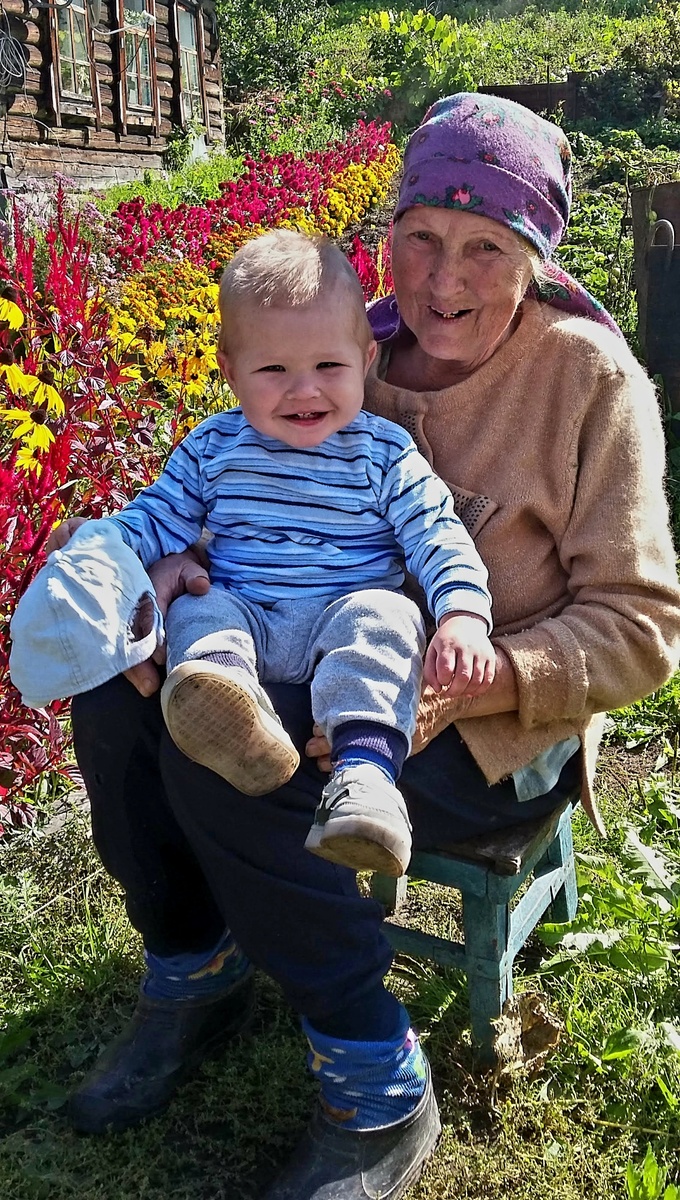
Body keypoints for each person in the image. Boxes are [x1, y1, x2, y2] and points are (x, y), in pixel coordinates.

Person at [60, 92, 680, 1200]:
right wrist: (170, 561)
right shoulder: (349, 342)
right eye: (420, 241)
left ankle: (376, 1080)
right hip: (311, 664)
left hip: (486, 721)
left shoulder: (589, 382)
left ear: (533, 257)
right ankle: (191, 967)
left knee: (236, 773)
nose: (443, 281)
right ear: (381, 233)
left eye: (485, 248)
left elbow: (641, 629)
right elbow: (241, 480)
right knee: (117, 696)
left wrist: (489, 670)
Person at [42, 229, 495, 879]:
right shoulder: (213, 448)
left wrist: (462, 616)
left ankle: (364, 782)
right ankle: (223, 705)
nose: (303, 391)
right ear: (230, 372)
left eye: (328, 368)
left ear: (366, 358)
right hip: (247, 615)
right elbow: (158, 518)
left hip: (341, 619)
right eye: (274, 370)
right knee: (201, 604)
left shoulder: (385, 455)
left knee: (388, 619)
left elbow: (438, 537)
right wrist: (100, 544)